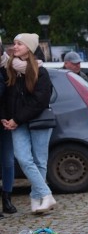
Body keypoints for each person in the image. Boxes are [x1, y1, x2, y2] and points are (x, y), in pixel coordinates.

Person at [1, 33, 56, 213]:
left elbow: (39, 101)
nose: (15, 47)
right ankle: (46, 194)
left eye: (19, 44)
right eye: (15, 43)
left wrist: (16, 119)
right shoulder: (11, 69)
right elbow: (6, 97)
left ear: (29, 49)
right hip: (17, 123)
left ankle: (36, 199)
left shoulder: (41, 71)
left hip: (36, 121)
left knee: (40, 161)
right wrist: (6, 117)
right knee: (24, 159)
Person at [0, 41, 16, 214]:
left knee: (8, 160)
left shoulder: (10, 66)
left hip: (9, 121)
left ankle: (7, 198)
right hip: (4, 118)